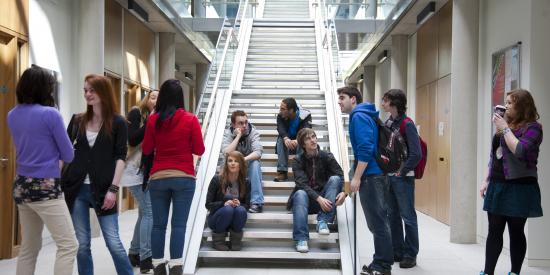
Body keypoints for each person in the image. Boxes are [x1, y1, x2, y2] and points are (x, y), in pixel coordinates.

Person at [7, 65, 78, 275]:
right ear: (44, 89)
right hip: (45, 186)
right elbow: (69, 155)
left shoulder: (12, 114)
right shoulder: (51, 114)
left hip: (21, 186)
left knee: (29, 247)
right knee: (68, 245)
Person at [63, 74, 133, 275]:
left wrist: (113, 189)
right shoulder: (77, 120)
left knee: (113, 242)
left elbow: (121, 157)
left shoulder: (118, 122)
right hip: (76, 189)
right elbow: (65, 153)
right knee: (82, 244)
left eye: (92, 90)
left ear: (103, 92)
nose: (87, 94)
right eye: (85, 90)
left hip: (104, 189)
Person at [142, 79, 205, 275]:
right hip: (184, 178)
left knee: (158, 225)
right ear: (181, 97)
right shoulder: (190, 119)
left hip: (158, 177)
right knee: (178, 225)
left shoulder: (154, 119)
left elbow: (146, 149)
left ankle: (158, 265)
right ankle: (176, 266)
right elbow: (199, 149)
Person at [479, 89, 543, 275]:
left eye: (510, 103)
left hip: (520, 186)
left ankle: (515, 272)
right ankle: (488, 272)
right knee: (494, 231)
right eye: (505, 102)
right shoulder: (506, 127)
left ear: (522, 106)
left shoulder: (534, 128)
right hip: (498, 184)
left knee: (516, 231)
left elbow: (520, 150)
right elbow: (494, 156)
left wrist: (504, 128)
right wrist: (486, 180)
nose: (505, 106)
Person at [338, 86, 392, 275]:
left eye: (342, 98)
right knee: (378, 222)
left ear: (353, 99)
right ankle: (380, 262)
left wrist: (357, 178)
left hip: (371, 176)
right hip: (376, 175)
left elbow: (366, 149)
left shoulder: (359, 116)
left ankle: (383, 266)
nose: (339, 102)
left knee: (377, 222)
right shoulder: (365, 114)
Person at [380, 89, 421, 268]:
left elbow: (416, 154)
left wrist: (401, 172)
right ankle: (397, 250)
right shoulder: (389, 122)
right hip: (390, 176)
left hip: (402, 178)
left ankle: (411, 254)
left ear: (394, 103)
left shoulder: (407, 124)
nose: (382, 103)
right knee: (392, 215)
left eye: (385, 100)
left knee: (408, 216)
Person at [288, 128, 347, 253]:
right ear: (303, 144)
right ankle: (301, 239)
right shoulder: (298, 160)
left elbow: (340, 175)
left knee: (335, 179)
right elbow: (301, 184)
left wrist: (344, 192)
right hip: (306, 202)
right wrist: (318, 198)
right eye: (308, 139)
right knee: (299, 193)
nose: (313, 140)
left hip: (325, 200)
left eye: (313, 136)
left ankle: (323, 221)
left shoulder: (327, 156)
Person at [121, 90, 158, 273]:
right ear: (146, 99)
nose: (156, 100)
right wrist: (151, 119)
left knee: (144, 212)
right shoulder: (136, 112)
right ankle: (145, 258)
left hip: (146, 172)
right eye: (152, 97)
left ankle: (134, 253)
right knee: (150, 212)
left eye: (159, 98)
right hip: (132, 170)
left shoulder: (159, 118)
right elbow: (133, 139)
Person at [205, 151, 251, 251]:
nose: (233, 163)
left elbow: (247, 205)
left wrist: (240, 204)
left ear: (241, 164)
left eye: (236, 161)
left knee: (241, 210)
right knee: (228, 209)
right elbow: (208, 204)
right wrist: (223, 204)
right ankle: (218, 241)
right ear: (226, 164)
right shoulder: (217, 179)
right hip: (217, 219)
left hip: (234, 220)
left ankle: (235, 241)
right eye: (230, 161)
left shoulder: (246, 182)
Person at [221, 110, 264, 213]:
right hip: (233, 167)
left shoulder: (253, 132)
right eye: (240, 123)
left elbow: (258, 152)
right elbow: (226, 153)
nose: (244, 125)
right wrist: (238, 136)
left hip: (247, 166)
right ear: (233, 124)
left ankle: (256, 202)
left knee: (255, 163)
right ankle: (225, 200)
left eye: (246, 122)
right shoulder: (228, 134)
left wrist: (242, 160)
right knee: (224, 164)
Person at [275, 97, 312, 182]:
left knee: (304, 138)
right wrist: (286, 138)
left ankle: (300, 173)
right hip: (287, 143)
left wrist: (297, 140)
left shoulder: (305, 115)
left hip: (300, 144)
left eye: (283, 109)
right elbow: (280, 128)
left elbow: (306, 130)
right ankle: (282, 172)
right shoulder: (281, 115)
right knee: (281, 139)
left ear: (291, 110)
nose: (280, 110)